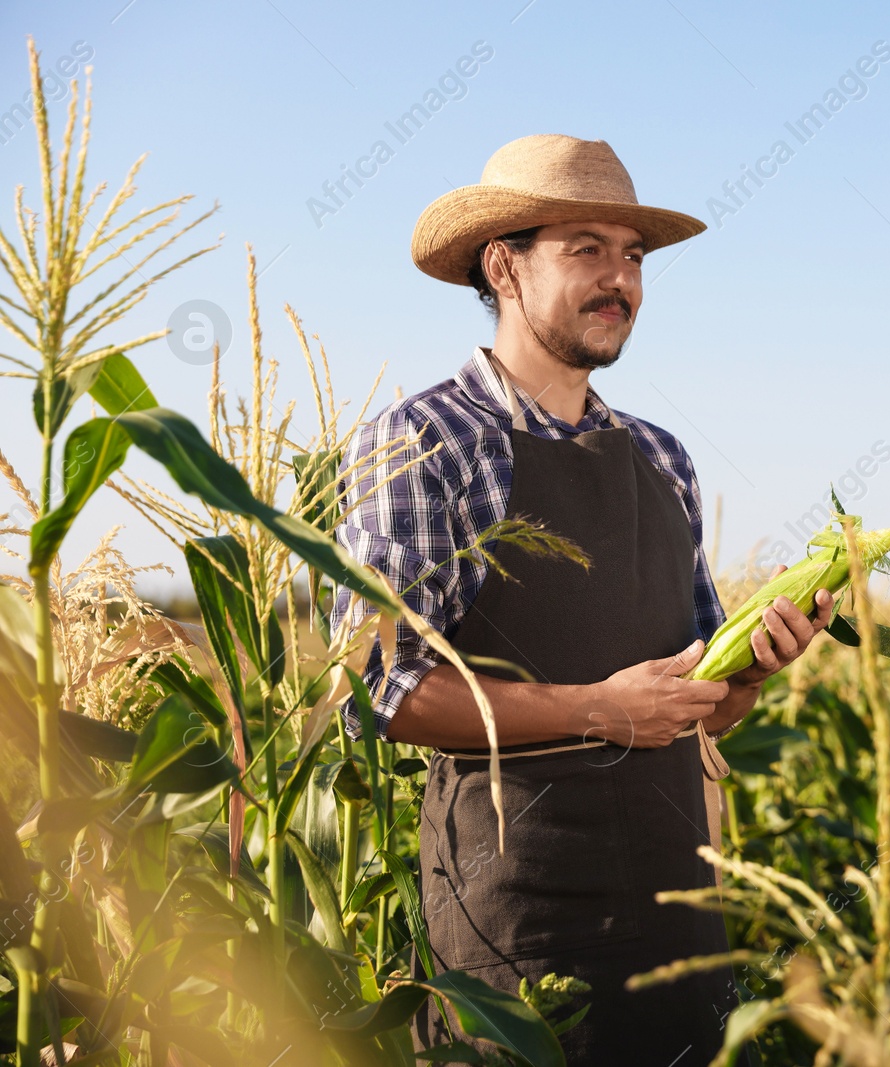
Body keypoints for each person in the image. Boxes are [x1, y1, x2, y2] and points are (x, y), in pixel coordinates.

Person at [329, 133, 833, 1064]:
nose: (621, 279)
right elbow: (380, 690)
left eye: (633, 254)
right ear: (503, 266)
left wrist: (757, 665)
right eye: (587, 250)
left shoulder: (662, 456)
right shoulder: (421, 442)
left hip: (681, 922)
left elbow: (701, 710)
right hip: (518, 939)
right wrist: (600, 709)